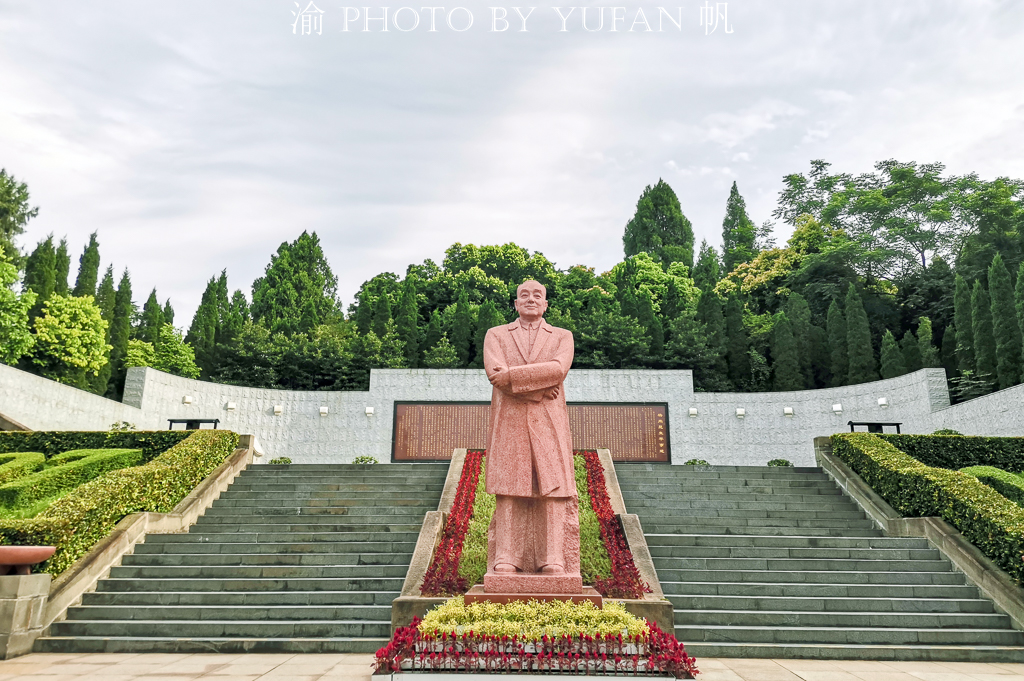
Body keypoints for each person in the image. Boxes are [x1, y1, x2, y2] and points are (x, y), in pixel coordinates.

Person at [483, 279, 579, 576]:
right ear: (515, 303)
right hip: (510, 422)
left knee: (552, 490)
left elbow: (558, 370)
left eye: (538, 295)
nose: (531, 299)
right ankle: (506, 558)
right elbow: (496, 376)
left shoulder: (563, 336)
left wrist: (515, 377)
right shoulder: (496, 335)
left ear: (546, 303)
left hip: (549, 425)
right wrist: (539, 390)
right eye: (523, 295)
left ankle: (553, 558)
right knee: (510, 488)